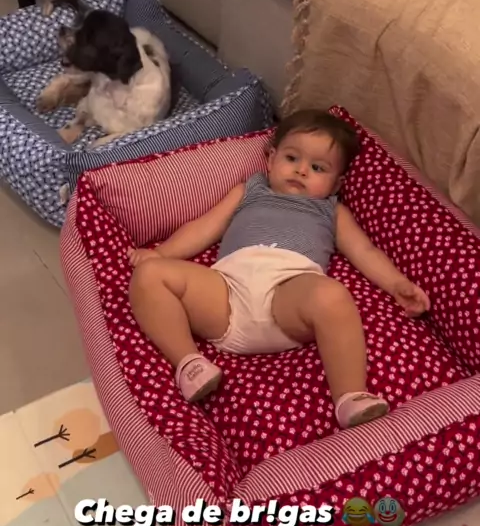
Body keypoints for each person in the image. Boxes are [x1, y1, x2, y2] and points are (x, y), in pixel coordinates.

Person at [128, 109, 430, 429]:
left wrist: (396, 284)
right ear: (271, 159)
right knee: (148, 276)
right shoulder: (249, 190)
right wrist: (160, 253)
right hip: (226, 294)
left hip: (288, 297)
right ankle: (189, 364)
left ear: (337, 183)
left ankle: (350, 396)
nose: (301, 170)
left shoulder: (331, 211)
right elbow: (204, 226)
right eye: (291, 158)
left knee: (332, 296)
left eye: (317, 168)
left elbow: (364, 251)